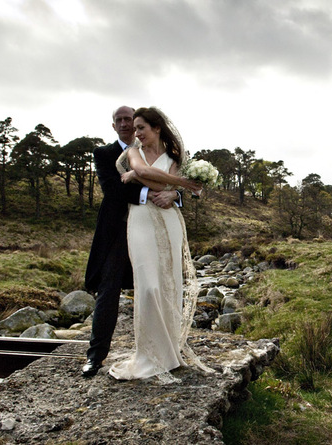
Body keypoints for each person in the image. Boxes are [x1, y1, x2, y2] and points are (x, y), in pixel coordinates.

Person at [108, 106, 212, 382]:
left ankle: (169, 353)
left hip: (169, 221)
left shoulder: (175, 156)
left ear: (157, 128)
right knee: (149, 284)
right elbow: (142, 170)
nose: (136, 132)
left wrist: (174, 192)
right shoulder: (133, 152)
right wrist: (181, 184)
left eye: (141, 127)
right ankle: (149, 355)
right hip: (141, 220)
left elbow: (149, 180)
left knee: (170, 283)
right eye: (135, 127)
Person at [82, 106, 180, 377]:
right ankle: (95, 356)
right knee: (109, 289)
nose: (126, 125)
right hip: (118, 231)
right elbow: (113, 189)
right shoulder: (104, 154)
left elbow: (177, 188)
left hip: (155, 229)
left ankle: (165, 351)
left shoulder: (159, 150)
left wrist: (176, 194)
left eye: (130, 120)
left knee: (158, 286)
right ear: (113, 126)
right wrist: (152, 191)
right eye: (120, 120)